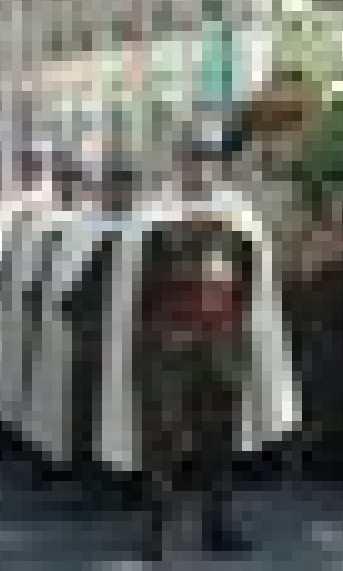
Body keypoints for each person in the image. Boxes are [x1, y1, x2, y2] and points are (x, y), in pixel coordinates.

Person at [135, 143, 254, 560]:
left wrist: (238, 328)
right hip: (172, 340)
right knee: (164, 437)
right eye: (192, 162)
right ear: (179, 166)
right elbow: (140, 283)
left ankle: (217, 525)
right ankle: (157, 530)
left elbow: (252, 275)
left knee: (218, 437)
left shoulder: (237, 218)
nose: (199, 171)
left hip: (221, 340)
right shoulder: (155, 217)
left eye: (206, 163)